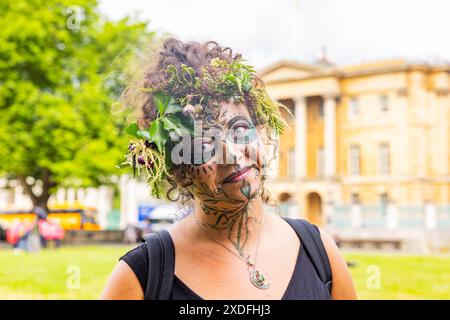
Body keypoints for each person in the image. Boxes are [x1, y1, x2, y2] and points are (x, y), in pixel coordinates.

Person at [101, 38, 356, 300]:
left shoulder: (320, 253)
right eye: (204, 144)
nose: (232, 155)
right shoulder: (141, 278)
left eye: (239, 129)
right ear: (178, 171)